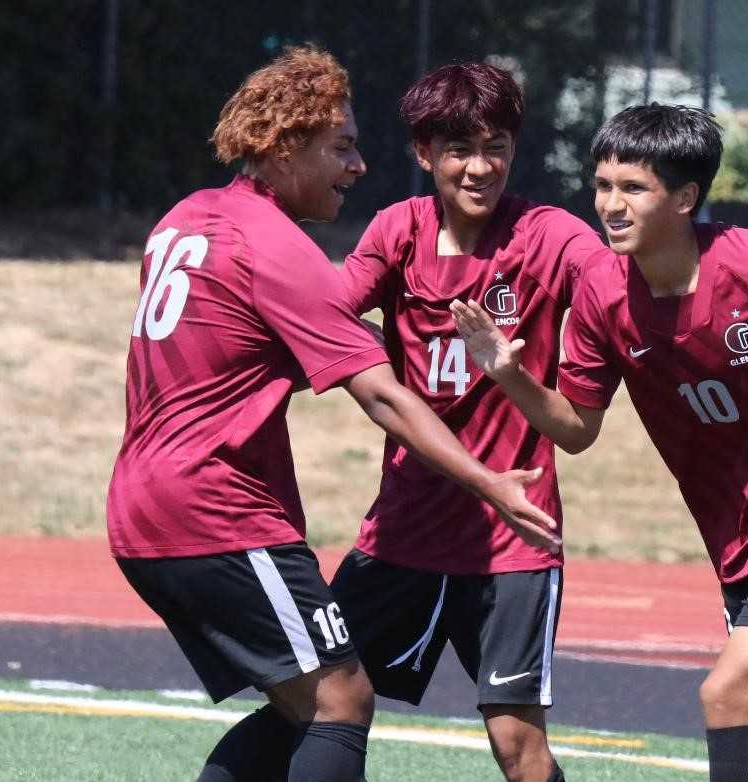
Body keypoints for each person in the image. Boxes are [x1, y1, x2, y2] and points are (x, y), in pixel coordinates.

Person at [105, 46, 559, 782]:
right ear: (285, 148)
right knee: (339, 701)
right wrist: (491, 483)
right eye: (341, 148)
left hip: (140, 510)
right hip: (216, 510)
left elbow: (248, 339)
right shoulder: (276, 246)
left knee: (301, 706)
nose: (357, 167)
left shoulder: (184, 218)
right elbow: (378, 393)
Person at [451, 104, 748, 782]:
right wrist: (509, 374)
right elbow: (577, 429)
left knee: (727, 697)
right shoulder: (603, 295)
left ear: (686, 197)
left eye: (632, 188)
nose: (610, 204)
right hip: (738, 538)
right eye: (603, 185)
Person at [328, 63, 607, 782]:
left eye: (496, 147)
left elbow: (616, 291)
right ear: (424, 155)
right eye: (458, 149)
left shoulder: (548, 236)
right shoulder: (398, 231)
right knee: (316, 700)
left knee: (517, 743)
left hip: (513, 538)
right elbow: (322, 316)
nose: (479, 167)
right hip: (401, 532)